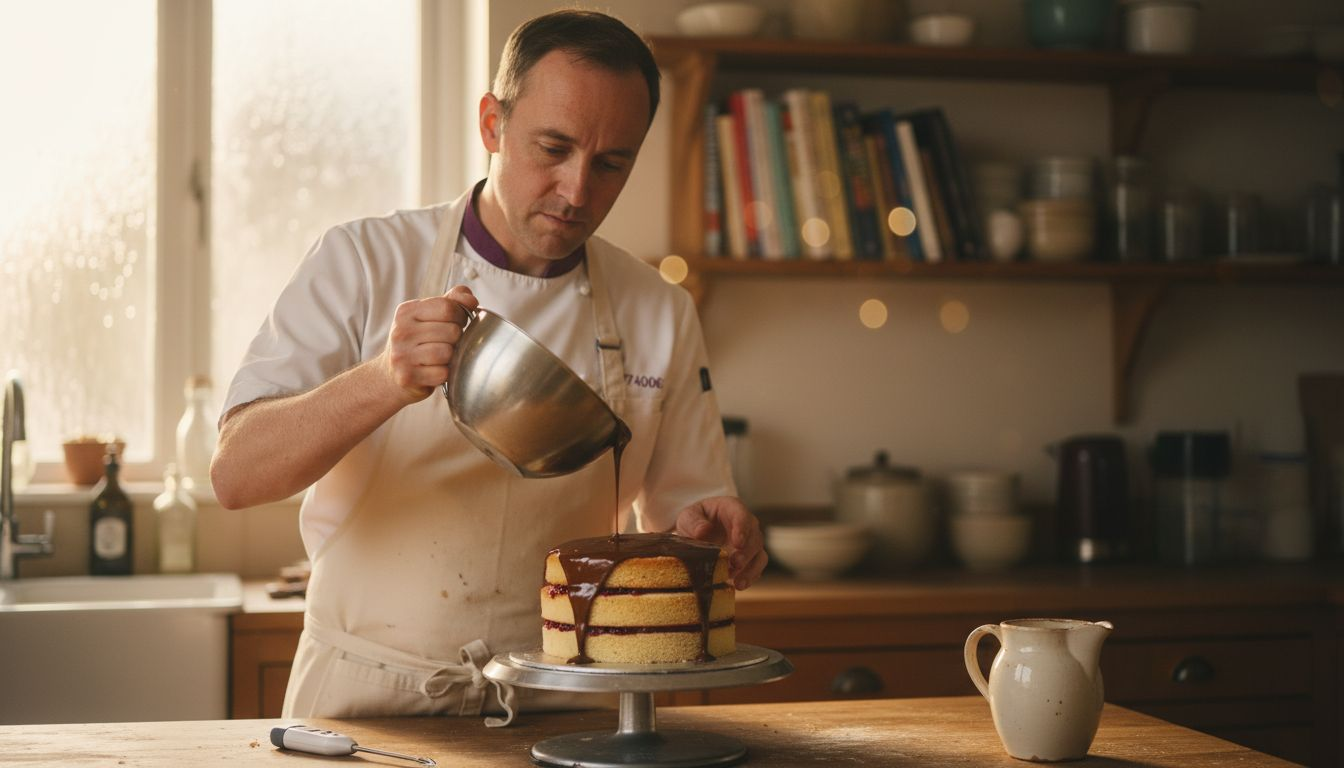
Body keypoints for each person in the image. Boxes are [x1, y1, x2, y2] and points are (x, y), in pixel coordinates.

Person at [211, 9, 766, 724]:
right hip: (363, 698)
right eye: (553, 148)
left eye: (610, 163)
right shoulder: (360, 263)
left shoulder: (658, 310)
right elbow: (235, 475)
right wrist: (382, 380)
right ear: (491, 126)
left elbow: (679, 526)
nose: (576, 192)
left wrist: (708, 530)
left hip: (564, 699)